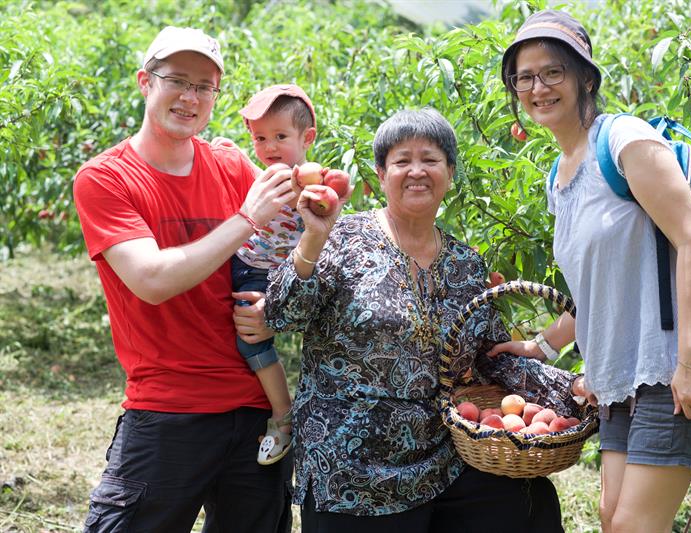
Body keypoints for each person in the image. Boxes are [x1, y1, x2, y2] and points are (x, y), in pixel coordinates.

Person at [260, 107, 577, 532]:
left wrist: (567, 390)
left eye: (430, 159)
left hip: (445, 457)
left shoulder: (466, 264)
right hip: (352, 465)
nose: (416, 171)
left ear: (449, 172)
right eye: (401, 161)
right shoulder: (342, 238)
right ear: (380, 172)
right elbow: (281, 313)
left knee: (529, 505)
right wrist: (313, 238)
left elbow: (491, 358)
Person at [492, 10, 691, 533]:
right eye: (525, 77)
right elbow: (597, 290)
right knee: (612, 519)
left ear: (585, 76)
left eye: (553, 71)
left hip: (672, 362)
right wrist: (541, 345)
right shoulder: (559, 177)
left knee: (633, 527)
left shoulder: (624, 138)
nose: (539, 87)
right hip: (619, 374)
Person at [73, 26, 294, 532]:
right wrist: (245, 218)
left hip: (254, 408)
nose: (190, 97)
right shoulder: (107, 179)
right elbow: (151, 280)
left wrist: (271, 308)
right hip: (168, 410)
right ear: (144, 82)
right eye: (176, 80)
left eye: (204, 86)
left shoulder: (232, 165)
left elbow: (276, 257)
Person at [230, 84, 319, 465]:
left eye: (280, 137)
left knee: (251, 340)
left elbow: (326, 221)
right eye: (259, 138)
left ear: (307, 138)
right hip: (241, 261)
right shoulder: (266, 173)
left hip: (269, 274)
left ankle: (283, 416)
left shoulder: (308, 183)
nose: (268, 147)